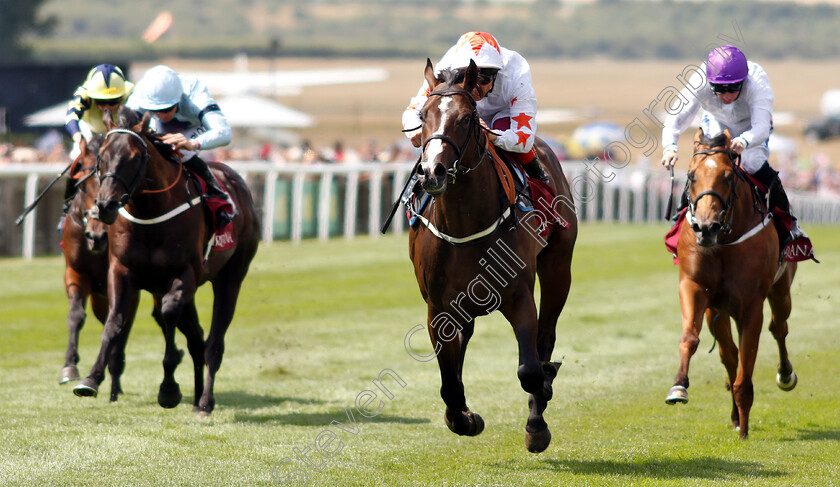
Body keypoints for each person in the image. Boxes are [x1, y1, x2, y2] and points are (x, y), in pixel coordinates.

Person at [660, 45, 804, 247]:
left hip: (751, 127)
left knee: (753, 163)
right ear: (710, 83)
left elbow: (761, 126)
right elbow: (676, 115)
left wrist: (744, 141)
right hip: (716, 120)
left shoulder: (757, 83)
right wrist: (669, 146)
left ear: (743, 82)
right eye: (719, 90)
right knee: (706, 167)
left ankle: (787, 224)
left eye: (733, 89)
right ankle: (681, 217)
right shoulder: (699, 80)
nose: (726, 96)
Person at [402, 31, 549, 183]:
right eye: (468, 78)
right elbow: (413, 110)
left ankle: (540, 183)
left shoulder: (517, 74)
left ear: (497, 74)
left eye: (484, 79)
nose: (475, 87)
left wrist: (494, 136)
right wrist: (415, 129)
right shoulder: (444, 69)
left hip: (502, 115)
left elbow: (525, 138)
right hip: (460, 113)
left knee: (504, 130)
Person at [126, 65, 236, 225]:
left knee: (182, 151)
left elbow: (225, 133)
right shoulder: (141, 95)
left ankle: (217, 195)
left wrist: (193, 143)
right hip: (159, 126)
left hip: (195, 127)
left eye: (166, 109)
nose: (162, 115)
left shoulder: (195, 97)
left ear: (178, 100)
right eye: (155, 110)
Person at [62, 64, 134, 209]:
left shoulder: (132, 92)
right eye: (100, 101)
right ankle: (67, 207)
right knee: (77, 158)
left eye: (113, 101)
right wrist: (79, 138)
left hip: (120, 133)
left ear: (122, 96)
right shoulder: (84, 93)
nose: (107, 107)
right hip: (91, 131)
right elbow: (70, 117)